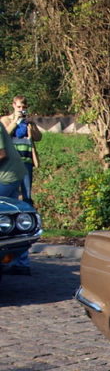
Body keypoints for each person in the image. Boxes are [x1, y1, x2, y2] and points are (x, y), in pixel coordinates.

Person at [0, 121, 30, 275]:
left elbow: (1, 153)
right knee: (12, 220)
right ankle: (21, 263)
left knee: (5, 218)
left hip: (6, 176)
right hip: (13, 173)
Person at [1, 96, 41, 205]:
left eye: (23, 107)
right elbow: (4, 135)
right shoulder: (6, 120)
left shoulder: (27, 122)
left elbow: (38, 137)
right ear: (13, 105)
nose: (21, 109)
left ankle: (27, 219)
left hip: (25, 161)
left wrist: (31, 124)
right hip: (10, 163)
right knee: (8, 194)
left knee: (27, 194)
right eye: (19, 106)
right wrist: (15, 121)